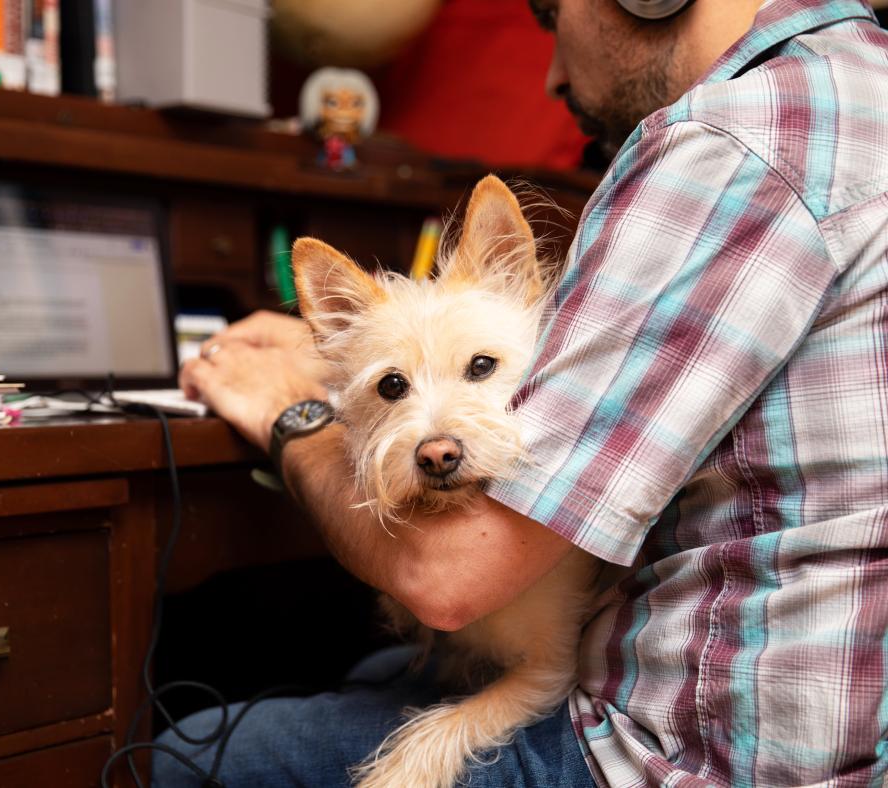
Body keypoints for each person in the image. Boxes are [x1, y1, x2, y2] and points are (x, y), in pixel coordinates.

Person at [157, 0, 888, 785]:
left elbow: (450, 579)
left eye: (551, 17)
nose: (553, 75)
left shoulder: (730, 145)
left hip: (686, 754)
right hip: (839, 730)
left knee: (184, 750)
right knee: (369, 672)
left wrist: (290, 414)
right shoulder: (858, 89)